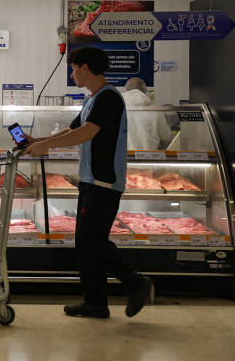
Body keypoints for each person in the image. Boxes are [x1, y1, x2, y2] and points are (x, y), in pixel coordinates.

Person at [23, 47, 152, 318]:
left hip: (104, 182)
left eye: (73, 68)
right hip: (90, 180)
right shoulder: (92, 99)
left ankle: (135, 282)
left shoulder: (109, 98)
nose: (72, 73)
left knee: (92, 240)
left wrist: (47, 147)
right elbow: (72, 129)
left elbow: (86, 132)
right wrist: (38, 142)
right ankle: (95, 302)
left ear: (85, 67)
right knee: (84, 243)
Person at [122, 77, 173, 150]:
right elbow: (167, 138)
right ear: (143, 90)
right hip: (148, 157)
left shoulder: (117, 109)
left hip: (124, 158)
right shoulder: (155, 110)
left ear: (127, 90)